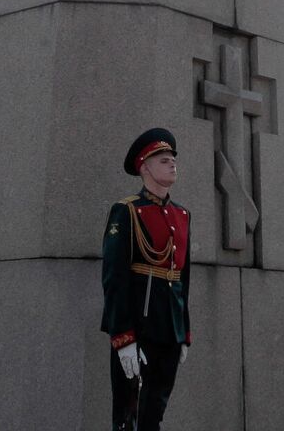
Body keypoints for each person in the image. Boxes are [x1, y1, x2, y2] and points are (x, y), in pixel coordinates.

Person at [101, 127, 191, 431]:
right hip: (138, 326)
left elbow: (182, 278)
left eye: (172, 159)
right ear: (145, 167)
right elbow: (115, 278)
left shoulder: (182, 215)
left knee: (154, 415)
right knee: (129, 417)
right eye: (163, 159)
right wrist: (123, 337)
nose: (172, 163)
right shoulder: (126, 211)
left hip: (170, 328)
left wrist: (184, 332)